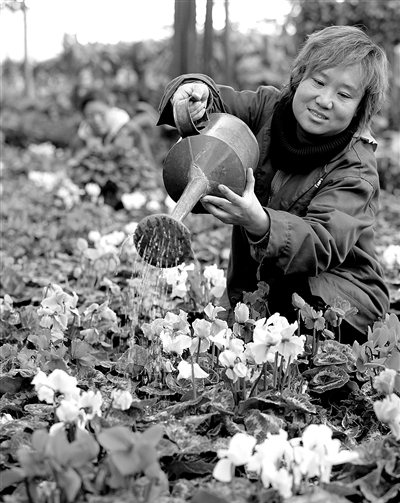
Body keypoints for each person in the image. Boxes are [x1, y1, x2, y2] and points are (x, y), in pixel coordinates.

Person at [157, 26, 390, 344]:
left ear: (360, 110)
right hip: (263, 287)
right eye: (318, 82)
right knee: (230, 341)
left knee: (300, 352)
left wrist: (259, 222)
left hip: (342, 301)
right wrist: (190, 93)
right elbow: (212, 105)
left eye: (344, 94)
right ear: (299, 78)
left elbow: (321, 245)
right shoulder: (265, 109)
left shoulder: (355, 167)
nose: (325, 100)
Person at [71, 90, 155, 165]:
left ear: (110, 109)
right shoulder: (81, 140)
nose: (97, 120)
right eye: (90, 115)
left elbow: (148, 165)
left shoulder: (130, 131)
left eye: (102, 114)